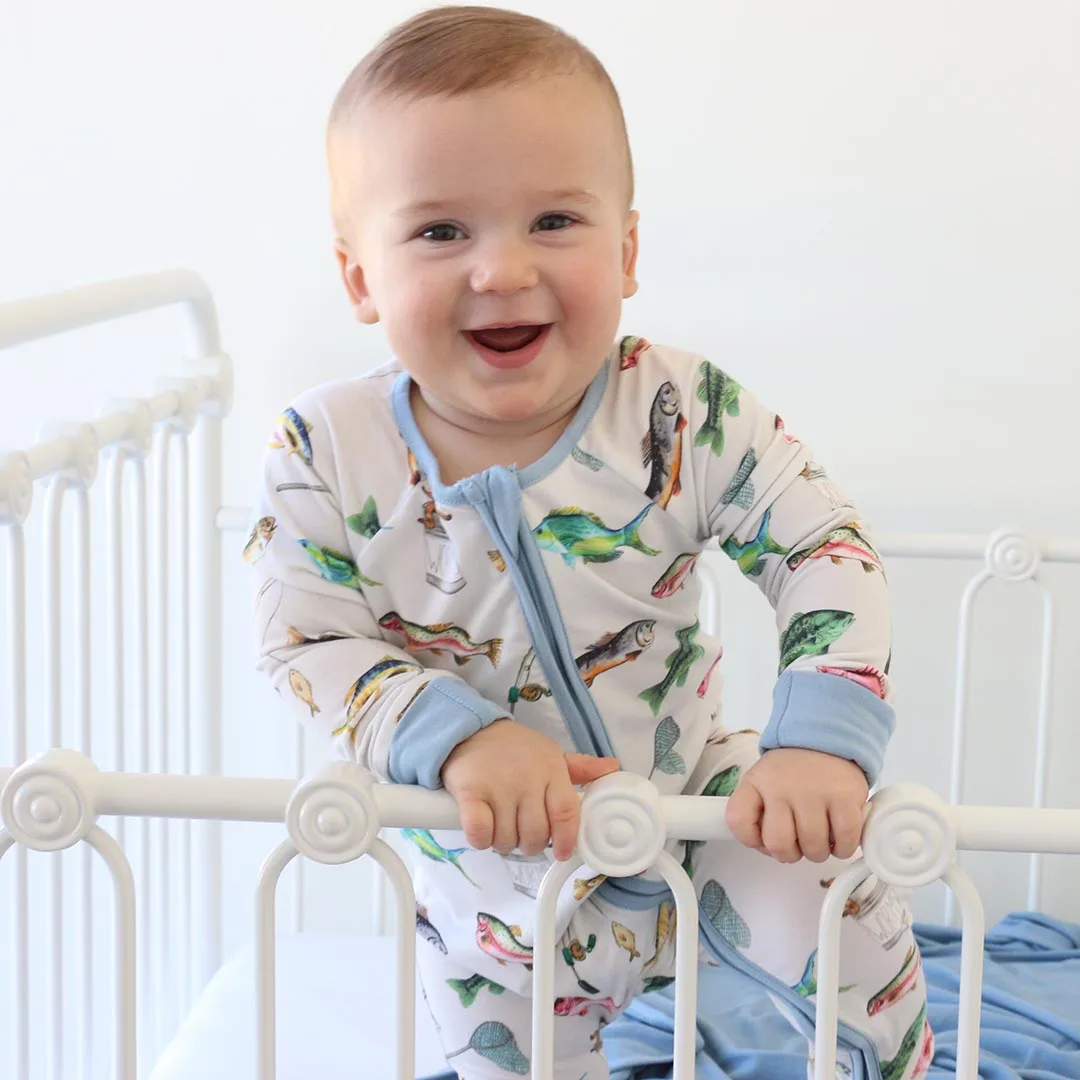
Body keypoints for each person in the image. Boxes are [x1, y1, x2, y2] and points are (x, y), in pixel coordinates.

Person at [245, 7, 932, 1078]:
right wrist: (459, 739)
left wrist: (819, 740)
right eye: (440, 232)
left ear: (627, 249)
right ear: (360, 278)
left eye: (554, 220)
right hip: (493, 876)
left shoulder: (684, 409)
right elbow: (306, 640)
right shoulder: (323, 450)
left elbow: (821, 544)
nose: (501, 269)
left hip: (707, 808)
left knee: (842, 901)